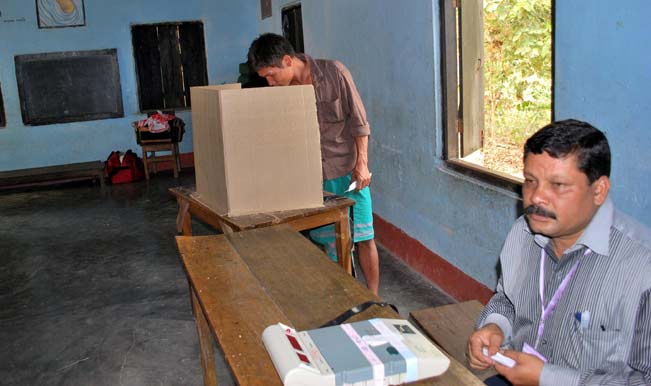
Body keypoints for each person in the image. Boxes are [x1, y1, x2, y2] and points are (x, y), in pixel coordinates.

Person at [467, 119, 651, 385]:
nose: (536, 197)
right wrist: (495, 326)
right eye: (530, 181)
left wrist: (549, 378)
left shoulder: (642, 268)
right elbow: (507, 300)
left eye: (558, 185)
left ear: (598, 190)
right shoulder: (523, 233)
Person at [247, 33, 380, 295]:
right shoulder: (280, 94)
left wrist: (362, 164)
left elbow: (359, 121)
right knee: (330, 242)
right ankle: (343, 296)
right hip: (313, 177)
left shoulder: (334, 73)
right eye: (265, 78)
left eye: (272, 75)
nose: (270, 83)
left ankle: (374, 299)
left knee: (364, 237)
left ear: (288, 60)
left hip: (348, 170)